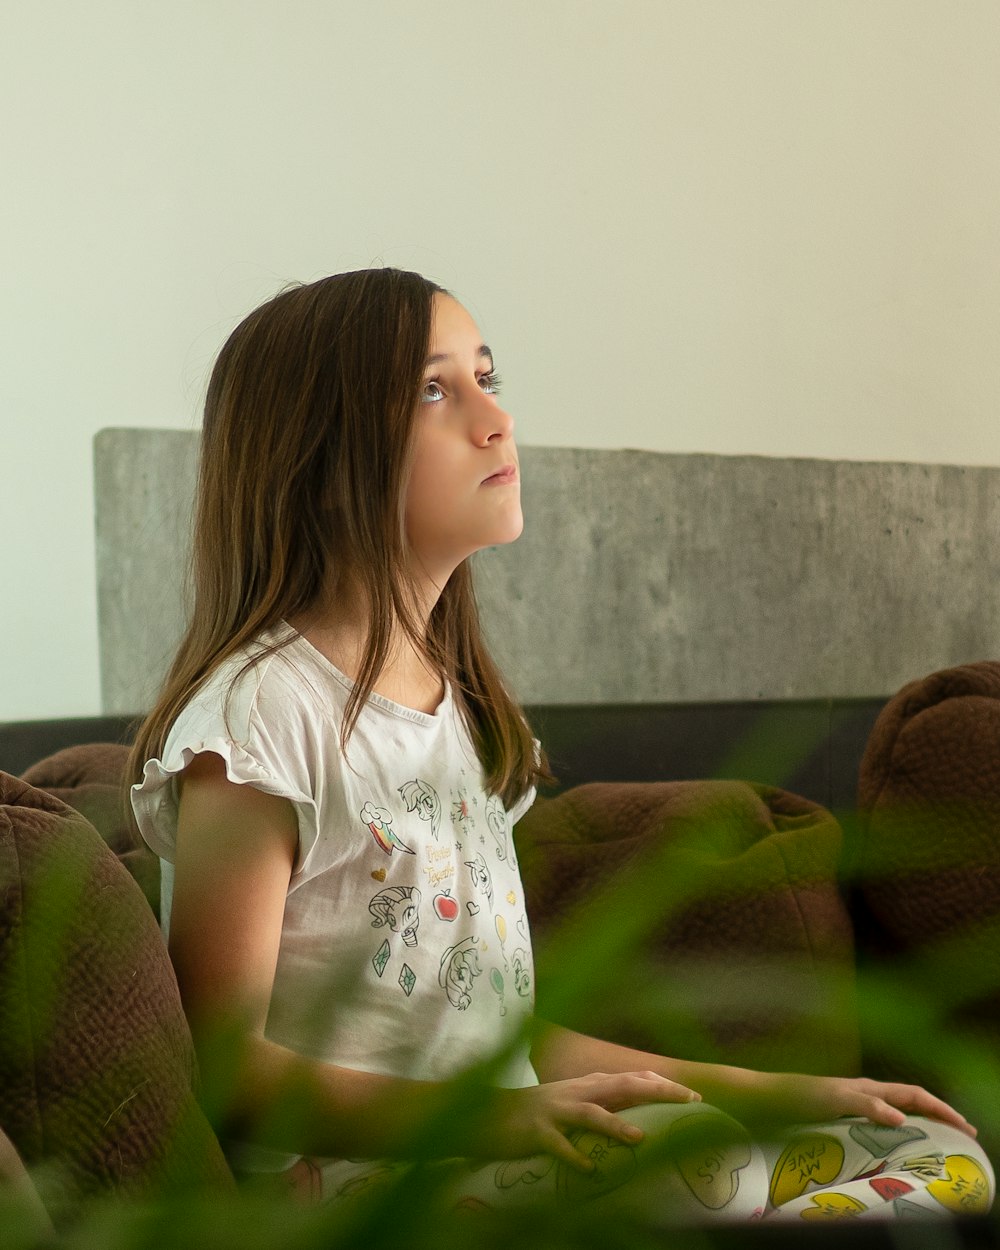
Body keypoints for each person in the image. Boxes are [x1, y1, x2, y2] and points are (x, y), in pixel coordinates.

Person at [128, 268, 993, 1226]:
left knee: (936, 1153)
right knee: (681, 1173)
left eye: (487, 377)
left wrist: (768, 1087)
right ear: (317, 456)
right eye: (432, 389)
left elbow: (501, 1040)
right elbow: (223, 1065)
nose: (494, 419)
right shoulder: (259, 720)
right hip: (364, 1184)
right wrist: (490, 1123)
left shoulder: (459, 713)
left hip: (506, 1146)